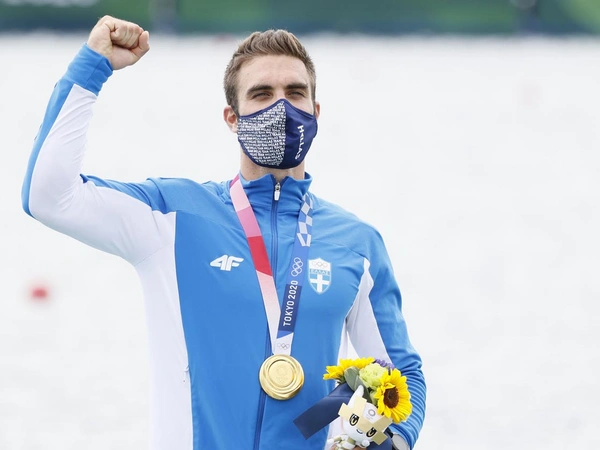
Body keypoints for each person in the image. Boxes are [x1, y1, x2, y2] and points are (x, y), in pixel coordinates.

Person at [21, 15, 426, 450]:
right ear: (232, 118)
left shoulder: (357, 244)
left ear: (315, 112)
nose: (282, 108)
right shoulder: (172, 217)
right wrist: (93, 64)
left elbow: (401, 373)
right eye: (262, 94)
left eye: (295, 93)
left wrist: (393, 441)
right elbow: (48, 195)